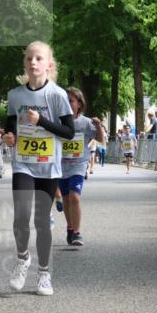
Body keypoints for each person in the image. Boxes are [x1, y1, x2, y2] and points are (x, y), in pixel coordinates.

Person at [2, 41, 74, 296]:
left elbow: (68, 132)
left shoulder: (57, 95)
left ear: (49, 65)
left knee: (41, 221)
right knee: (21, 215)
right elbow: (10, 127)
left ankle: (44, 274)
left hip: (48, 166)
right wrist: (9, 137)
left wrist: (41, 120)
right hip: (23, 162)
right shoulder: (15, 95)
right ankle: (23, 259)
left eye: (39, 58)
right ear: (25, 63)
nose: (33, 62)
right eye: (30, 58)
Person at [58, 87, 103, 247]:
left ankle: (77, 233)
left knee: (74, 197)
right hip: (61, 165)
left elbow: (100, 139)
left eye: (70, 101)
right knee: (65, 199)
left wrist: (98, 126)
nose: (67, 104)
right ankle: (70, 228)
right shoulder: (58, 121)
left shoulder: (86, 122)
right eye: (64, 101)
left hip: (79, 163)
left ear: (79, 104)